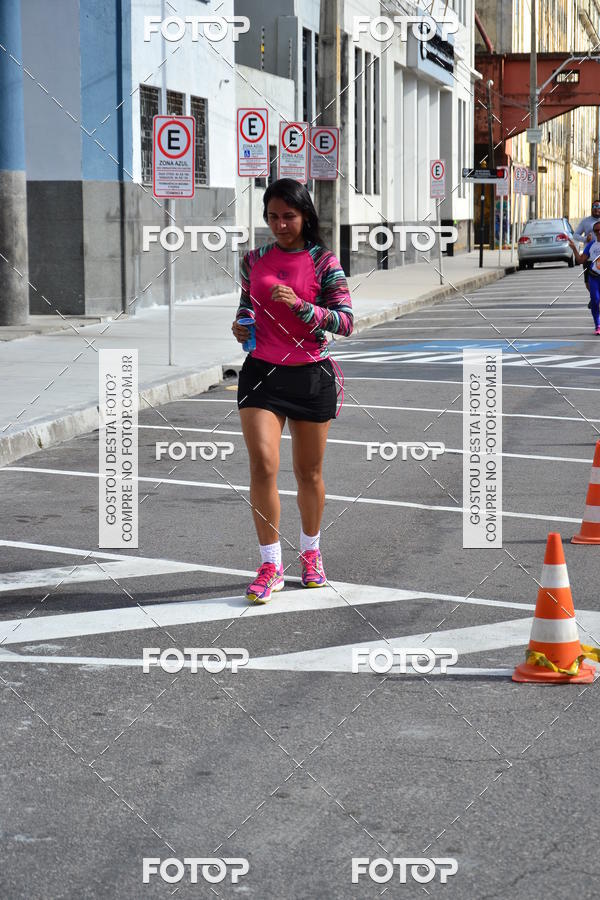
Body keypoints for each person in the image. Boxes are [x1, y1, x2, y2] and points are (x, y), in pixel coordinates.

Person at [231, 178, 353, 603]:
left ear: (304, 217)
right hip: (261, 372)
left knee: (309, 473)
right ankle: (269, 563)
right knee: (263, 465)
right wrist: (241, 325)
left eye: (289, 216)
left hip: (310, 375)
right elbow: (247, 307)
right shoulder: (254, 260)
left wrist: (302, 307)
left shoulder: (323, 262)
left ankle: (311, 552)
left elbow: (346, 322)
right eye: (273, 217)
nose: (281, 224)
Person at [568, 222, 600, 334]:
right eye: (596, 231)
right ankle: (598, 326)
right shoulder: (591, 245)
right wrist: (574, 249)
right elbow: (581, 260)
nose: (599, 232)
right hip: (594, 277)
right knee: (595, 301)